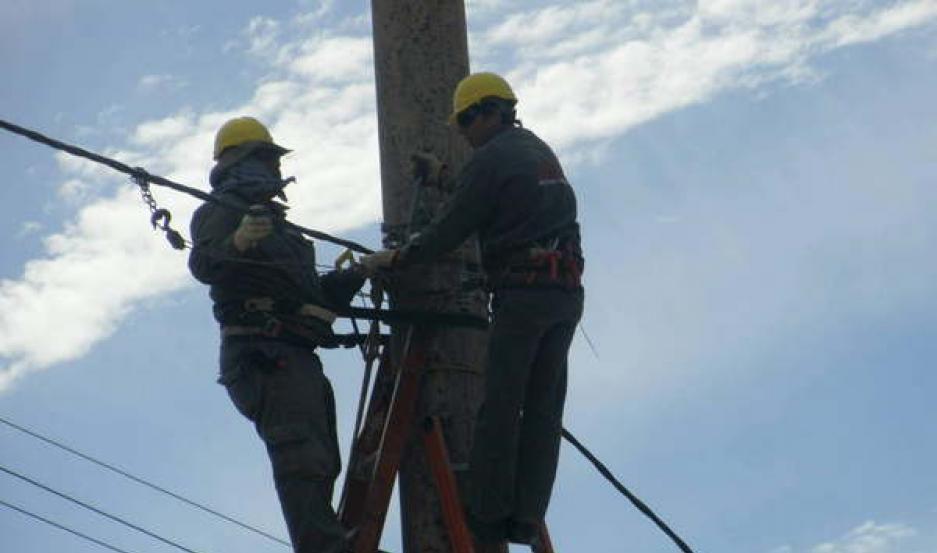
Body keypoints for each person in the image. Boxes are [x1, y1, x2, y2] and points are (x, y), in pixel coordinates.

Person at [361, 72, 585, 546]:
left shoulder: (491, 160)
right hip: (564, 295)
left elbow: (451, 229)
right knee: (543, 410)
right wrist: (447, 178)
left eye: (464, 121)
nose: (462, 131)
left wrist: (399, 257)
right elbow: (494, 197)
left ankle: (486, 512)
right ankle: (526, 517)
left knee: (501, 406)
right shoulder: (536, 150)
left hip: (523, 298)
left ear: (488, 112)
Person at [188, 117, 365, 553]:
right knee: (301, 456)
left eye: (272, 161)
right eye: (264, 159)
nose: (271, 169)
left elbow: (311, 295)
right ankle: (323, 547)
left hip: (293, 352)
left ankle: (330, 539)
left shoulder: (284, 230)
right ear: (236, 162)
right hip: (260, 352)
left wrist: (362, 273)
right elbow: (205, 264)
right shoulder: (220, 212)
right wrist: (239, 242)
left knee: (323, 458)